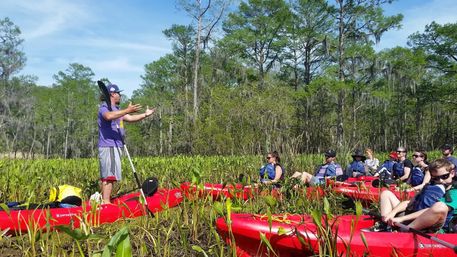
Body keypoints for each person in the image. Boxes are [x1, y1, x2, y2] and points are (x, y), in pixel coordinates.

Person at [98, 83, 155, 204]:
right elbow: (108, 116)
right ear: (112, 94)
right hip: (109, 145)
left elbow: (130, 118)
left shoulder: (118, 110)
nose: (120, 95)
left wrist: (145, 114)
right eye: (118, 93)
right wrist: (127, 110)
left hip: (116, 146)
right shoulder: (104, 108)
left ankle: (105, 200)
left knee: (110, 175)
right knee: (109, 176)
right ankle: (106, 202)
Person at [373, 158, 453, 232]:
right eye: (435, 178)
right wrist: (392, 214)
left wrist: (402, 218)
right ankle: (386, 224)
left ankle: (403, 231)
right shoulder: (429, 186)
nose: (440, 181)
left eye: (444, 176)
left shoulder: (454, 191)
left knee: (440, 207)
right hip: (412, 216)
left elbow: (432, 210)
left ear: (452, 173)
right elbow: (408, 203)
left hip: (429, 222)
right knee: (386, 193)